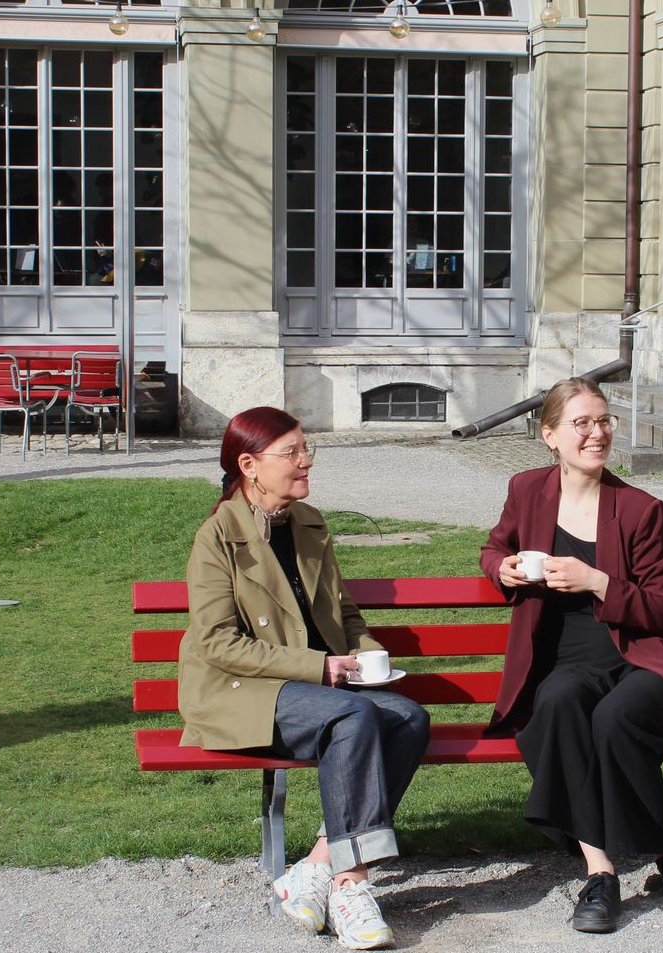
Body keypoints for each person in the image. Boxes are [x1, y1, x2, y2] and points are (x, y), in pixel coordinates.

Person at [180, 406, 430, 951]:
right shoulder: (217, 537)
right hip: (241, 692)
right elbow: (217, 643)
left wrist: (367, 655)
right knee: (352, 715)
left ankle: (318, 865)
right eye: (291, 452)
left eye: (306, 448)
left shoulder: (310, 524)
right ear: (249, 465)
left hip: (320, 692)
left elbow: (345, 614)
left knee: (409, 718)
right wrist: (318, 667)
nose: (306, 461)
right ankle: (352, 884)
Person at [479, 377, 663, 934]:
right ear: (550, 435)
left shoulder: (640, 509)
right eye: (581, 423)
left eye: (603, 421)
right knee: (557, 705)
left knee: (614, 719)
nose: (597, 433)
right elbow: (495, 546)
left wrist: (598, 582)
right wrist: (502, 569)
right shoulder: (527, 490)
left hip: (642, 661)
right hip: (566, 665)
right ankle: (602, 871)